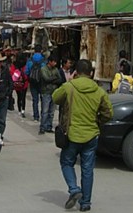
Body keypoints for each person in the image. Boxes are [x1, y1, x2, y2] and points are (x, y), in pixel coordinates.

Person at [52, 59, 114, 212]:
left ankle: (74, 189)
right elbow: (108, 113)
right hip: (91, 135)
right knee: (87, 169)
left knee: (66, 162)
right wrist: (98, 121)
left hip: (71, 134)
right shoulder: (99, 91)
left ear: (76, 72)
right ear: (91, 73)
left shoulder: (69, 87)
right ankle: (85, 203)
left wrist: (70, 82)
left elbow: (55, 98)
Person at [39, 54, 61, 134]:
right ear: (49, 62)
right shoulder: (43, 69)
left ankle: (49, 126)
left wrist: (53, 79)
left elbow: (60, 79)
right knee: (45, 111)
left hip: (54, 92)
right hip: (46, 92)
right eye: (54, 62)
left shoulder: (56, 69)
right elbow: (46, 79)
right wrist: (54, 78)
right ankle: (42, 127)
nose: (55, 63)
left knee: (51, 112)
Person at [25, 45, 46, 122]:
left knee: (35, 100)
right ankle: (43, 115)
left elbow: (26, 71)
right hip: (41, 82)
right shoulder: (44, 60)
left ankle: (36, 117)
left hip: (33, 82)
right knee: (43, 99)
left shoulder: (30, 60)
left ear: (34, 51)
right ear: (41, 51)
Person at [11, 53, 29, 119]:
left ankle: (19, 110)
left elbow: (12, 73)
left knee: (19, 96)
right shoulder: (25, 64)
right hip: (24, 83)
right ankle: (23, 110)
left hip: (17, 84)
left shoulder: (14, 64)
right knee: (23, 97)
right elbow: (27, 73)